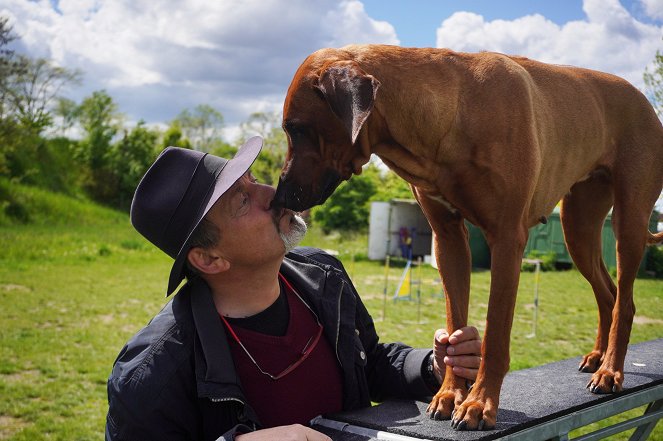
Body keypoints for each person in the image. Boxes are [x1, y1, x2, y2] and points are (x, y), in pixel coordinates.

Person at [105, 136, 482, 441]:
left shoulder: (323, 274)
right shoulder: (151, 374)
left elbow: (368, 362)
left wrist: (432, 365)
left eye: (253, 180)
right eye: (242, 199)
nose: (272, 192)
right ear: (209, 259)